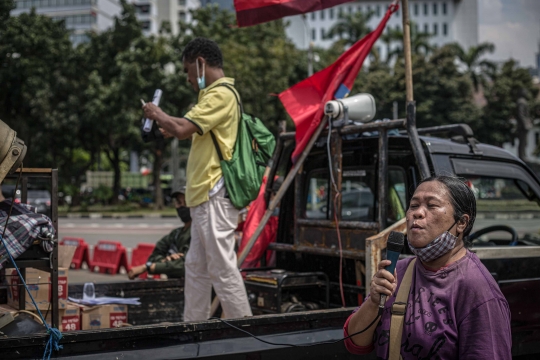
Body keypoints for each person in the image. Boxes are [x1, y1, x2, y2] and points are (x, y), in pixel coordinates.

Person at [142, 37, 252, 321]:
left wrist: (157, 113)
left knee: (222, 270)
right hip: (205, 197)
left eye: (188, 71)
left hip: (214, 194)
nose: (189, 79)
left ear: (200, 63)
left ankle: (248, 335)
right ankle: (194, 330)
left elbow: (181, 128)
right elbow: (185, 127)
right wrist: (170, 124)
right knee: (197, 269)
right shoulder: (211, 97)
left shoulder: (221, 93)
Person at [344, 175, 512, 359]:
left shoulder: (478, 290)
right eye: (414, 205)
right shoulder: (398, 271)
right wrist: (374, 302)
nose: (417, 213)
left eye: (431, 206)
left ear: (461, 223)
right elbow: (355, 343)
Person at [128, 186, 191, 279]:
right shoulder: (175, 234)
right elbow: (154, 256)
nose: (182, 206)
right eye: (179, 202)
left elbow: (186, 265)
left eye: (186, 202)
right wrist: (166, 260)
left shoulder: (199, 233)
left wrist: (148, 267)